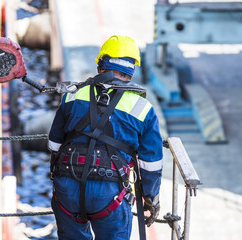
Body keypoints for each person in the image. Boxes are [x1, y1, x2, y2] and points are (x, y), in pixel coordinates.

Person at [48, 35, 163, 240]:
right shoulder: (142, 109)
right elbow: (151, 164)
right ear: (131, 71)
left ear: (100, 64)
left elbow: (54, 144)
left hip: (67, 186)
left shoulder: (72, 96)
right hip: (108, 196)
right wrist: (150, 198)